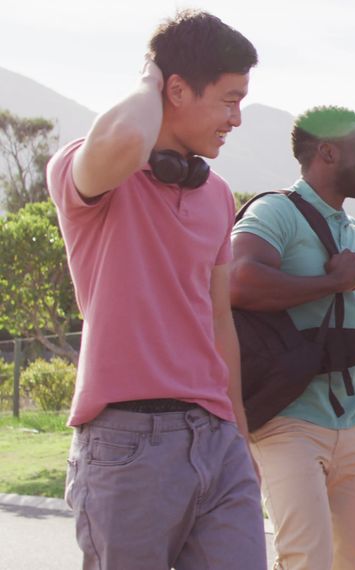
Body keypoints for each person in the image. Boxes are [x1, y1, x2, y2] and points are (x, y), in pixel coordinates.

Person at [45, 10, 263, 569]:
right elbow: (125, 137)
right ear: (176, 90)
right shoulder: (88, 170)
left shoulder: (216, 194)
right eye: (229, 100)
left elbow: (218, 320)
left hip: (216, 441)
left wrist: (237, 434)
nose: (237, 118)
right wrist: (150, 73)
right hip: (126, 444)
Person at [230, 105, 355, 570]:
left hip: (353, 427)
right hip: (286, 421)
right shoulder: (275, 211)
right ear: (329, 152)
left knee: (348, 560)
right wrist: (329, 283)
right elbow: (237, 280)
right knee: (306, 559)